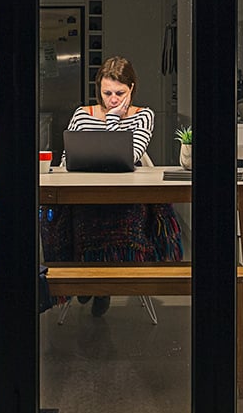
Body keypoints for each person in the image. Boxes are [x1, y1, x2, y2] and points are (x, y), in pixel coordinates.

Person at [42, 56, 183, 316]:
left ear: (132, 89)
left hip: (126, 196)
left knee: (109, 215)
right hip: (85, 192)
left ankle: (96, 285)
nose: (113, 100)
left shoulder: (143, 116)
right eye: (107, 93)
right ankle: (87, 282)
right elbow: (68, 159)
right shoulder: (83, 114)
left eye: (120, 93)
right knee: (75, 212)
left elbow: (129, 154)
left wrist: (113, 119)